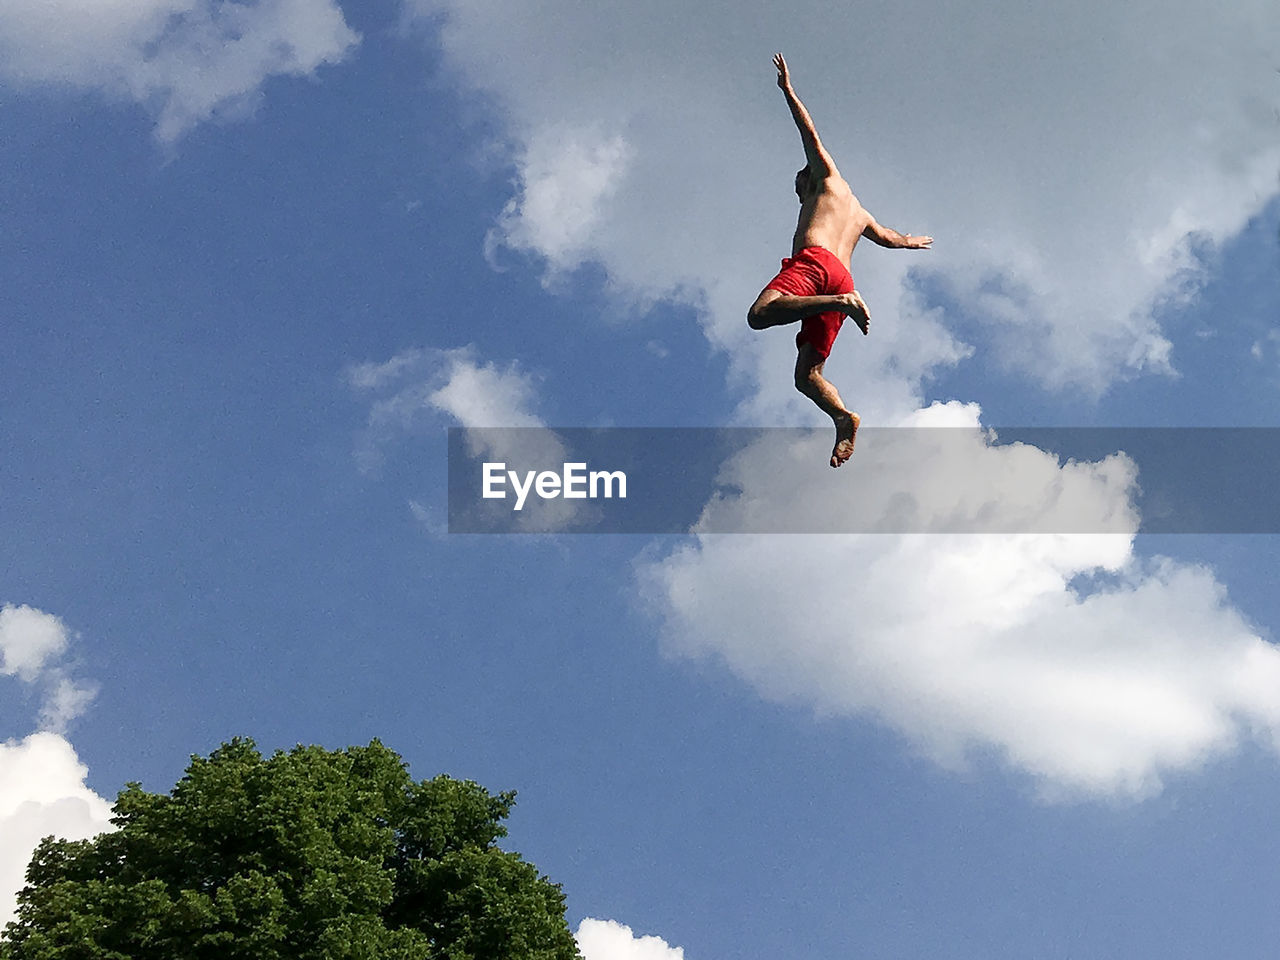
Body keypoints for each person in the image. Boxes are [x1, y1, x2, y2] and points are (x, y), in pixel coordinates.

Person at [748, 53, 933, 467]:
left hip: (818, 267)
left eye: (799, 188)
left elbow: (809, 134)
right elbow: (885, 237)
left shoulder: (826, 178)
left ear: (807, 176)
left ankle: (840, 305)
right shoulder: (860, 210)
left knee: (759, 315)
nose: (799, 196)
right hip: (843, 278)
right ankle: (843, 417)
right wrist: (908, 242)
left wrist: (788, 92)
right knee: (806, 377)